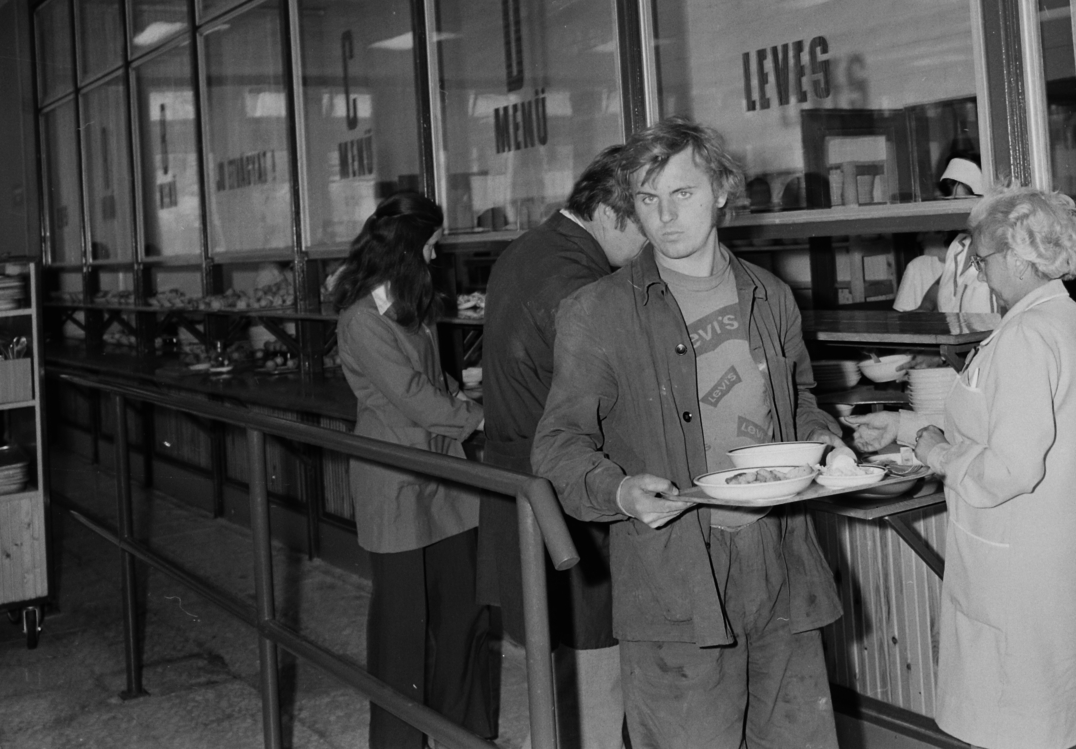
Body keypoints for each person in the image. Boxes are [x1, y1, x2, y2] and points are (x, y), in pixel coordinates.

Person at [532, 116, 855, 749]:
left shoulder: (770, 296)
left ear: (721, 190)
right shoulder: (597, 312)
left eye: (682, 193)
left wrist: (826, 443)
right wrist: (618, 492)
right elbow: (558, 443)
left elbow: (802, 402)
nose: (665, 215)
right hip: (672, 574)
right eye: (648, 200)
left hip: (782, 565)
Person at [854, 187, 1076, 749]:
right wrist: (904, 425)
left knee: (1017, 727)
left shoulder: (1026, 335)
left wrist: (928, 447)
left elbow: (1007, 470)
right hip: (1042, 562)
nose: (979, 271)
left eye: (983, 258)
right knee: (1036, 724)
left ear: (1018, 256)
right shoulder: (1058, 319)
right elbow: (996, 415)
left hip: (1019, 572)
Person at [476, 144, 646, 749]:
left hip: (524, 484)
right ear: (609, 211)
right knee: (595, 663)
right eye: (644, 223)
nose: (650, 244)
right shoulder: (577, 280)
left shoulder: (532, 247)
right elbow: (619, 396)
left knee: (553, 665)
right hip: (565, 496)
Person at [332, 192, 496, 748]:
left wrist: (468, 401)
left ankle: (465, 730)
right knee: (403, 623)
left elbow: (438, 381)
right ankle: (400, 740)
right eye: (428, 246)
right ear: (406, 248)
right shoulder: (362, 320)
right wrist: (475, 420)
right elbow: (411, 397)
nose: (434, 258)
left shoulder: (410, 305)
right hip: (397, 477)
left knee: (463, 611)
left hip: (441, 474)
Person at [893, 155, 994, 313]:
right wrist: (924, 308)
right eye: (951, 202)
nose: (955, 212)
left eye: (963, 202)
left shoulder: (999, 250)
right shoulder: (959, 245)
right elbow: (940, 286)